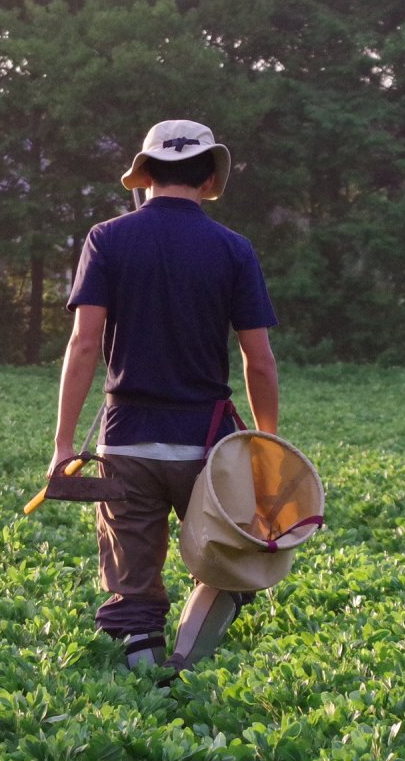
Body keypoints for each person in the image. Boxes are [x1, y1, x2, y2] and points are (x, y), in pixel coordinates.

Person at [49, 119, 280, 682]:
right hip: (208, 446)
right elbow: (259, 358)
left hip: (127, 439)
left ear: (145, 174)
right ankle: (185, 663)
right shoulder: (233, 249)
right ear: (208, 179)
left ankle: (146, 683)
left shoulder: (108, 238)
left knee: (133, 585)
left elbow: (83, 346)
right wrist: (266, 444)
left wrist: (62, 444)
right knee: (231, 560)